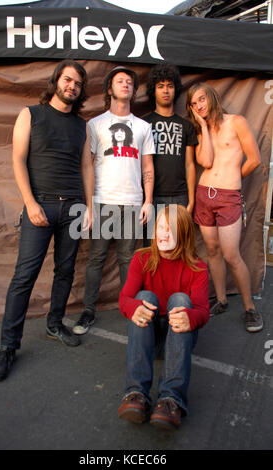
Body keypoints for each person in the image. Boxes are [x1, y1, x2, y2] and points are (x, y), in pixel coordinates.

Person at [0, 60, 94, 382]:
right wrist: (30, 203)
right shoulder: (30, 114)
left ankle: (54, 323)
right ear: (56, 81)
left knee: (65, 270)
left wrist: (89, 207)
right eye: (68, 79)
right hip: (41, 206)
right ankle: (7, 347)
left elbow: (87, 168)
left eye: (77, 83)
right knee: (24, 276)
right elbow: (17, 160)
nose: (72, 86)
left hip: (74, 207)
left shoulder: (82, 126)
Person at [73, 66, 155, 335]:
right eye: (120, 81)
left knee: (128, 261)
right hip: (102, 201)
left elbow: (148, 166)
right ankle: (88, 311)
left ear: (134, 90)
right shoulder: (94, 124)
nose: (126, 85)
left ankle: (130, 308)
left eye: (130, 82)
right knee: (96, 258)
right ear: (109, 89)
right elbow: (88, 165)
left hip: (132, 202)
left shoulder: (143, 127)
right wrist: (88, 204)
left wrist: (148, 201)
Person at [117, 205, 209, 430]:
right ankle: (136, 393)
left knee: (180, 301)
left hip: (179, 337)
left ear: (184, 234)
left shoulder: (198, 268)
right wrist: (134, 307)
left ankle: (171, 400)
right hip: (152, 336)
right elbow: (124, 299)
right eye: (160, 227)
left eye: (171, 229)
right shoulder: (142, 259)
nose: (163, 234)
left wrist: (190, 316)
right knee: (143, 297)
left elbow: (203, 311)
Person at [186, 82, 263, 332]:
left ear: (211, 97)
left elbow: (255, 159)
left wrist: (233, 182)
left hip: (228, 196)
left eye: (201, 100)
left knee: (231, 254)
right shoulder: (201, 130)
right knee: (212, 250)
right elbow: (206, 161)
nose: (199, 106)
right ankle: (220, 300)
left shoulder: (236, 121)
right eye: (193, 104)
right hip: (203, 194)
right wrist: (204, 127)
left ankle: (250, 308)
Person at [143, 63, 197, 221]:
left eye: (170, 86)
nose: (165, 90)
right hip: (152, 197)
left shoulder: (186, 125)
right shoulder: (143, 124)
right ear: (154, 90)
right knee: (152, 245)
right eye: (160, 86)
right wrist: (146, 198)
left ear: (176, 89)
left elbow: (190, 164)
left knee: (178, 245)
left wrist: (191, 200)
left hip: (180, 197)